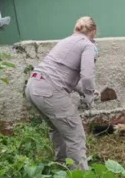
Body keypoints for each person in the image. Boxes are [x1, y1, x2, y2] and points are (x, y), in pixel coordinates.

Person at [24, 16, 100, 170]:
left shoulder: (66, 41)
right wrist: (89, 97)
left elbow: (65, 75)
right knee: (76, 136)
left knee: (58, 129)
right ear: (94, 32)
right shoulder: (88, 45)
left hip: (33, 87)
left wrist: (85, 92)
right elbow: (87, 76)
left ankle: (62, 167)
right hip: (50, 91)